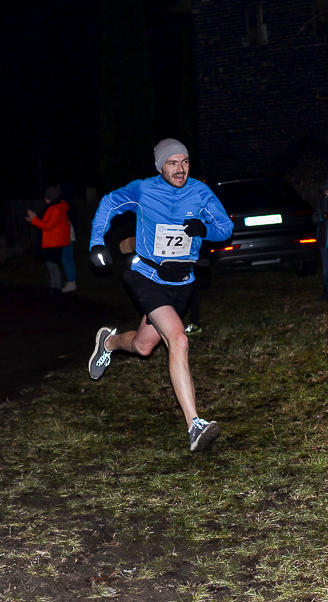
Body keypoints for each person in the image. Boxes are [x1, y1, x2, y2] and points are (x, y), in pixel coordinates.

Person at [87, 138, 233, 452]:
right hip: (146, 276)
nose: (180, 169)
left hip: (181, 282)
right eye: (172, 163)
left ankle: (108, 342)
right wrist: (96, 241)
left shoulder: (200, 192)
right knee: (179, 339)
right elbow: (109, 203)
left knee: (143, 346)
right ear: (160, 167)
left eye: (185, 162)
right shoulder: (143, 189)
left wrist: (204, 230)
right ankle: (195, 425)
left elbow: (225, 227)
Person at [26, 186, 71, 297]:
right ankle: (53, 288)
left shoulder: (57, 209)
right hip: (50, 242)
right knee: (51, 267)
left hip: (55, 243)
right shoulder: (52, 208)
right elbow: (46, 223)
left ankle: (57, 289)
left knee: (53, 267)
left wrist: (34, 220)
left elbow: (48, 226)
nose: (45, 199)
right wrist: (34, 219)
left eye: (46, 197)